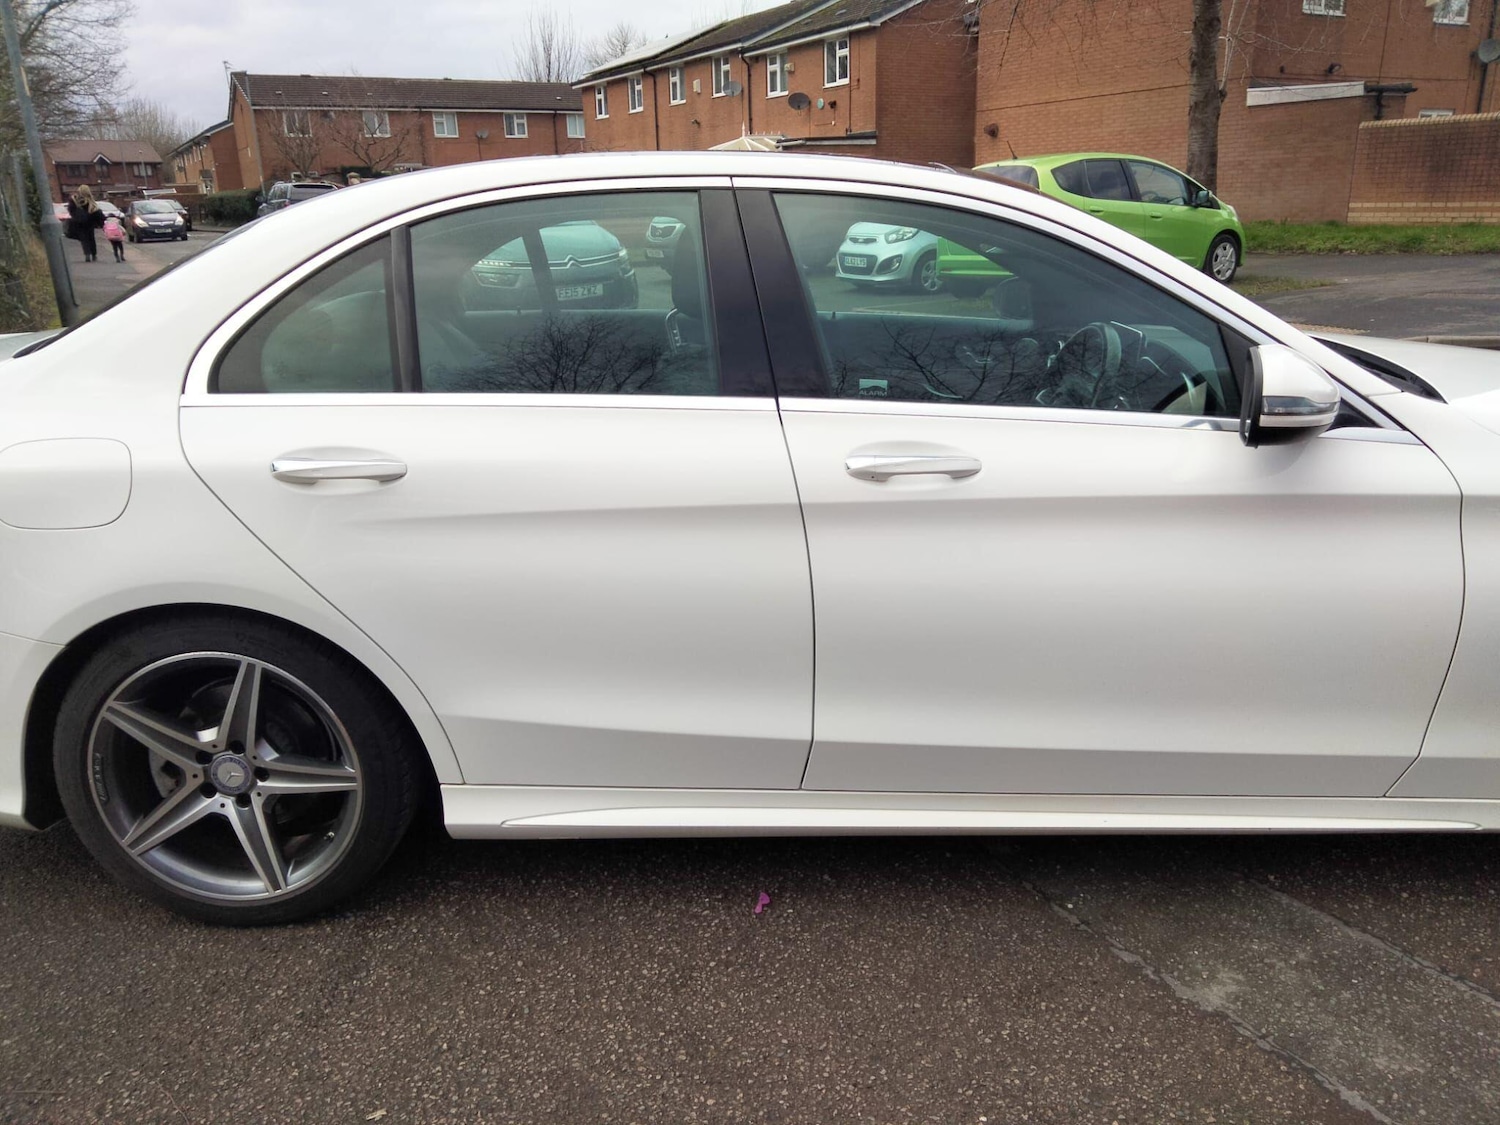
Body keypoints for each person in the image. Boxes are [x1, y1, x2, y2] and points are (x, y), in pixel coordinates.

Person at [66, 185, 104, 262]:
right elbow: (95, 211)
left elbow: (71, 210)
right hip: (90, 222)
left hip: (80, 222)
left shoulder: (75, 200)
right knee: (91, 238)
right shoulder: (90, 200)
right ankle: (94, 254)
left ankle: (87, 254)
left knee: (84, 239)